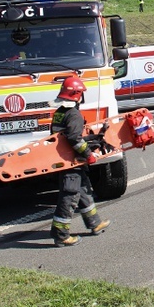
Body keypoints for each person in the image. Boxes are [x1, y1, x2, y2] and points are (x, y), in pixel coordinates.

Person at [49, 76, 111, 247]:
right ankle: (60, 234)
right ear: (77, 95)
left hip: (65, 159)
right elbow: (75, 139)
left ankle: (94, 223)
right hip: (71, 161)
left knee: (83, 190)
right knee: (70, 195)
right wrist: (89, 154)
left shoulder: (59, 112)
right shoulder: (73, 114)